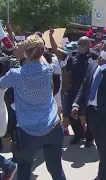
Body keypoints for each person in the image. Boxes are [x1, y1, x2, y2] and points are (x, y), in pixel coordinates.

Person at [0, 34, 66, 180]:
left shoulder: (15, 74)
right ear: (41, 51)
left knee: (24, 170)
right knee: (56, 169)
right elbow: (39, 58)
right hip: (53, 126)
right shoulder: (47, 69)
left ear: (25, 52)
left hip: (28, 131)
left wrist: (20, 55)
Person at [71, 40, 106, 180]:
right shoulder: (92, 65)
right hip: (93, 113)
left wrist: (104, 68)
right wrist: (76, 104)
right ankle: (104, 170)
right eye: (103, 48)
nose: (104, 51)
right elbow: (85, 85)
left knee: (105, 149)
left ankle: (103, 176)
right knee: (100, 146)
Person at [63, 36, 98, 146]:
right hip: (74, 89)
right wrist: (65, 88)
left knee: (89, 115)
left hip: (89, 90)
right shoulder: (72, 56)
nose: (79, 46)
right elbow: (67, 72)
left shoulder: (94, 56)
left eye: (82, 44)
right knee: (73, 114)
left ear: (88, 45)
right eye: (78, 43)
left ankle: (89, 137)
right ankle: (78, 135)